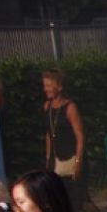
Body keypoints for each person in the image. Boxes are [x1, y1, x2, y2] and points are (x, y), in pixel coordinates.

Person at [42, 70, 85, 200]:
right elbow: (49, 134)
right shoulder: (47, 107)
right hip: (55, 160)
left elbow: (79, 136)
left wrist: (78, 161)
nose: (45, 89)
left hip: (69, 159)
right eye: (44, 85)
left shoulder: (70, 107)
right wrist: (48, 158)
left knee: (75, 198)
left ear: (59, 87)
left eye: (49, 85)